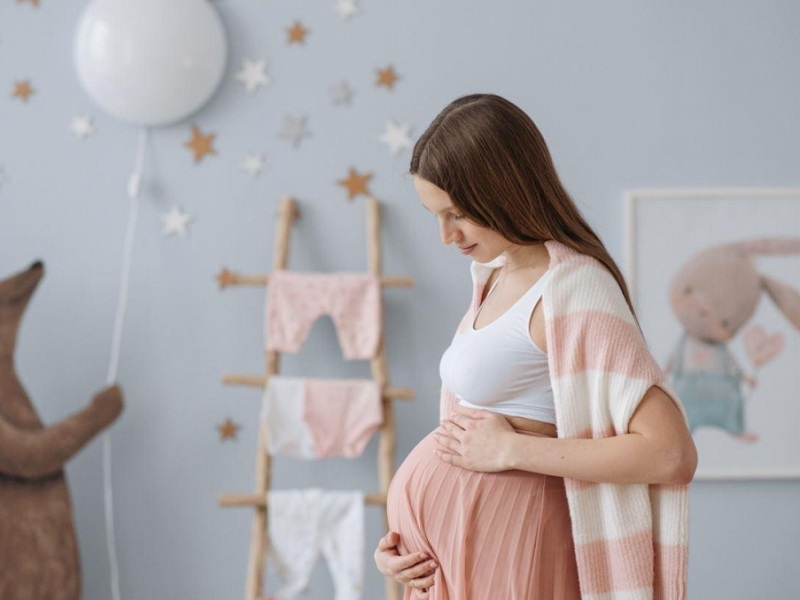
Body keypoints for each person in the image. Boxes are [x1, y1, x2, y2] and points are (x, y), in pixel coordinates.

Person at [374, 93, 698, 599]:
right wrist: (404, 544)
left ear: (502, 190)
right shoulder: (494, 277)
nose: (445, 235)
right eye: (434, 215)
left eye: (457, 214)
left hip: (516, 549)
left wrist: (513, 449)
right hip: (455, 562)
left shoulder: (573, 288)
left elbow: (670, 453)